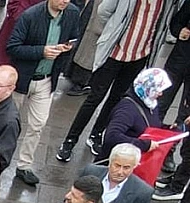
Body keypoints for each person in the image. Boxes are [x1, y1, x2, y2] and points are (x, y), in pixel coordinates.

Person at [55, 0, 161, 163]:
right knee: (94, 97)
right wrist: (111, 31)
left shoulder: (166, 3)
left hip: (139, 56)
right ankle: (70, 141)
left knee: (116, 99)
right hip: (114, 52)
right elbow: (104, 10)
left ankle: (96, 134)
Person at [6, 0, 83, 187]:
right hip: (23, 80)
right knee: (9, 124)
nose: (64, 1)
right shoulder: (30, 16)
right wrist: (42, 51)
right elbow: (12, 47)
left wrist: (68, 47)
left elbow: (74, 37)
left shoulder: (72, 13)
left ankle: (24, 165)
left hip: (46, 80)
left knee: (37, 125)